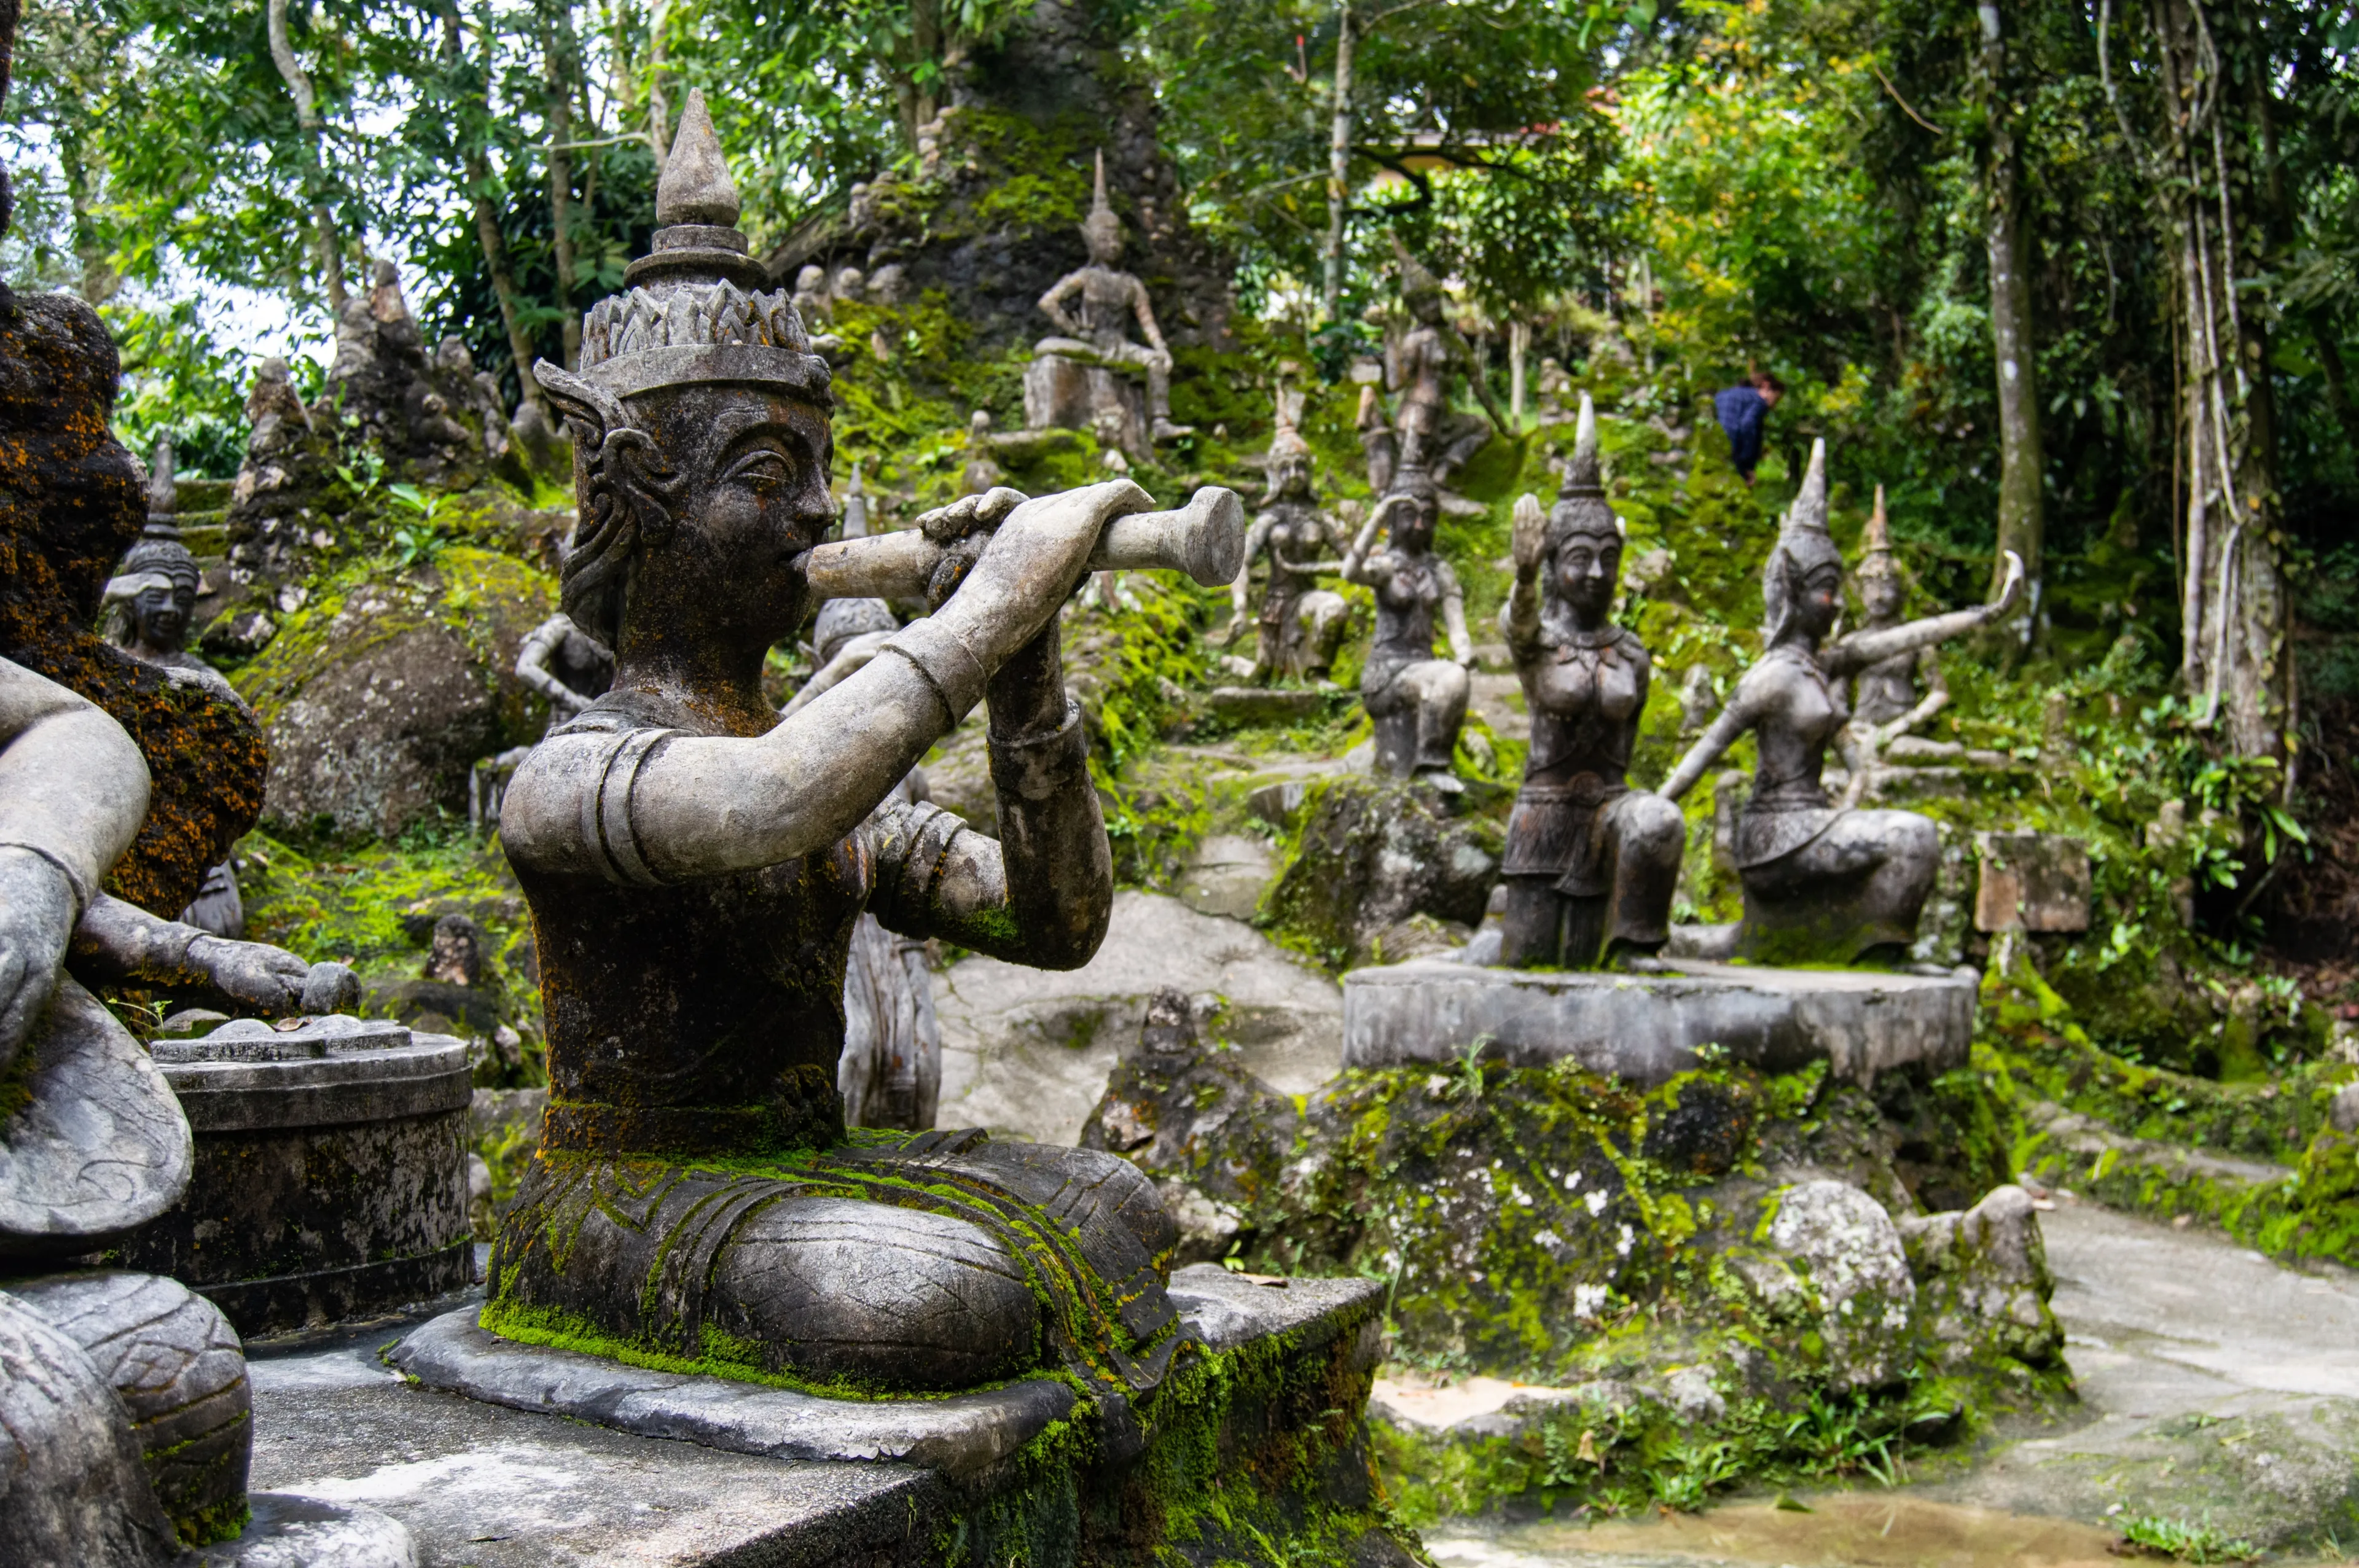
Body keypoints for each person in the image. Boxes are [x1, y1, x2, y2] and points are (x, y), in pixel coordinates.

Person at [1712, 369, 1783, 485]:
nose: (1774, 405)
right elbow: (1748, 425)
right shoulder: (1758, 401)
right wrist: (1747, 465)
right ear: (1766, 387)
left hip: (1714, 443)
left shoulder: (1722, 395)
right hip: (1734, 448)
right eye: (1776, 398)